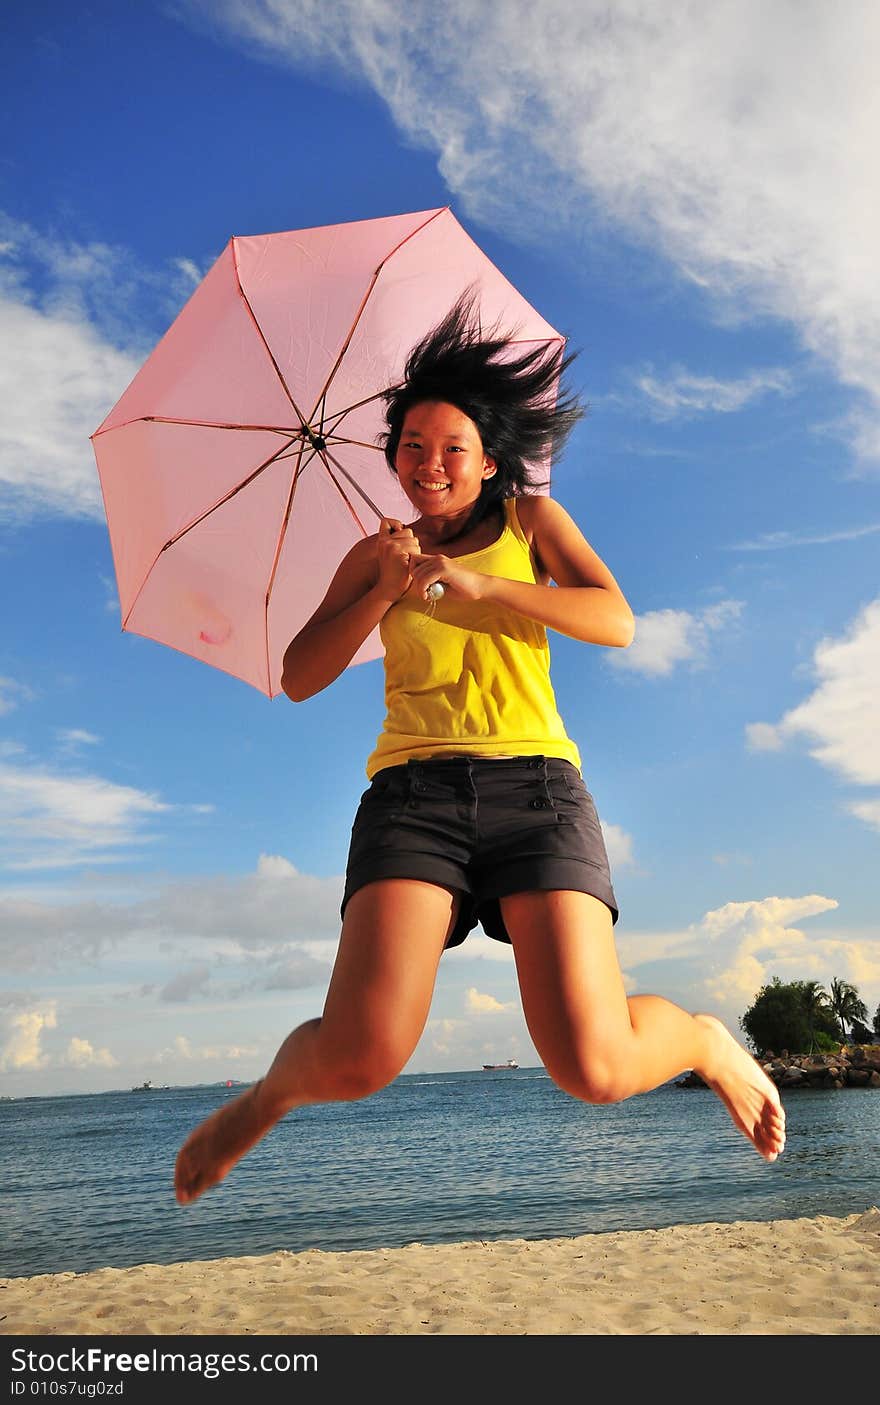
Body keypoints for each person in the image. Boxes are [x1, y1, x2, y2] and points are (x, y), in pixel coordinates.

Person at [174, 297, 785, 1205]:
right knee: (361, 1054)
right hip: (411, 797)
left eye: (450, 448)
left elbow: (614, 619)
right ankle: (265, 1099)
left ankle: (699, 1040)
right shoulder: (375, 554)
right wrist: (380, 590)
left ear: (489, 460)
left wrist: (481, 584)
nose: (429, 465)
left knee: (596, 1066)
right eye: (412, 447)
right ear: (392, 459)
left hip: (537, 789)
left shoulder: (532, 522)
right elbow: (301, 674)